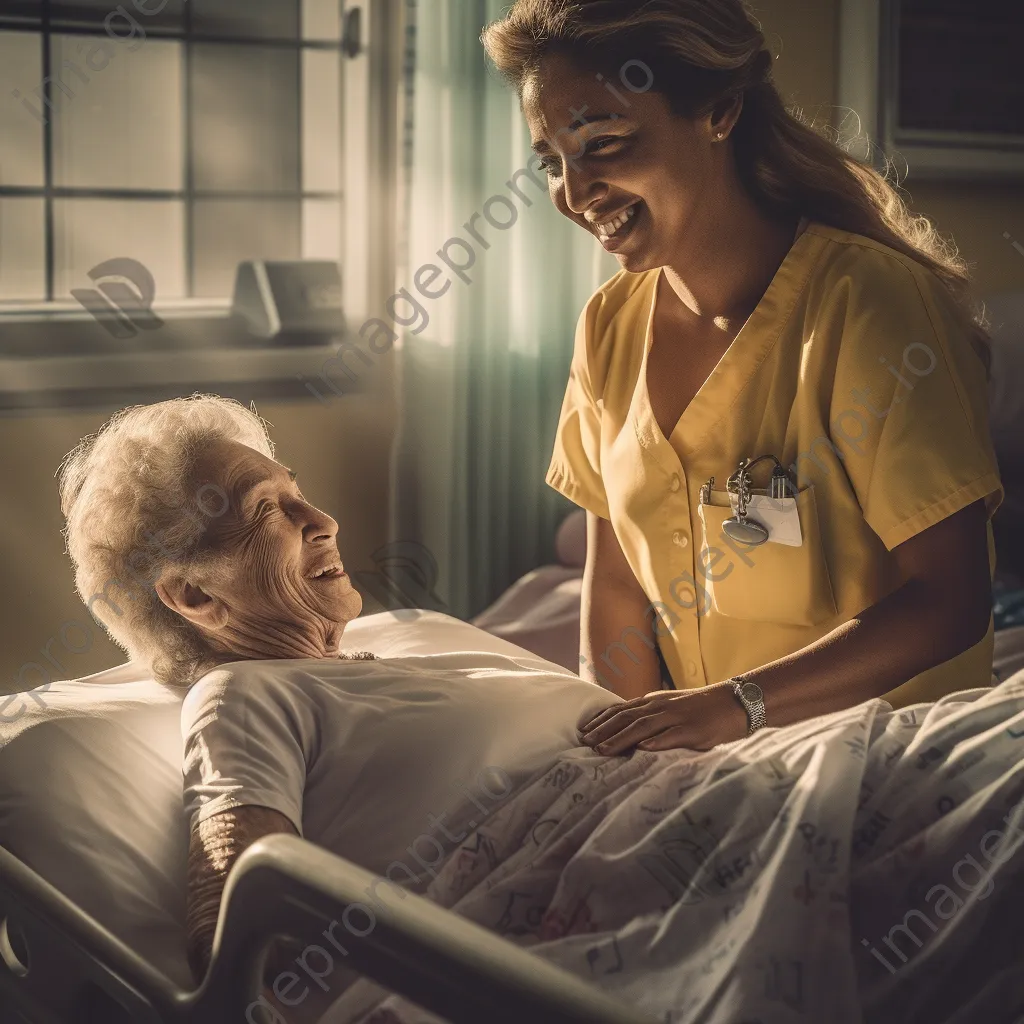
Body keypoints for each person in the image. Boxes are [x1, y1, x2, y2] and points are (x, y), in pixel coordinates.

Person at [480, 0, 1004, 756]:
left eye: (606, 143)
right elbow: (618, 591)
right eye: (552, 162)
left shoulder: (868, 304)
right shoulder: (609, 324)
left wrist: (735, 708)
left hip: (893, 755)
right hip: (714, 762)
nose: (574, 189)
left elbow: (950, 603)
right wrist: (624, 764)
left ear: (719, 111)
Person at [56, 395, 621, 997]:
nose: (323, 520)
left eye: (296, 491)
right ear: (195, 597)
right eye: (267, 510)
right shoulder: (242, 693)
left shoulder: (418, 648)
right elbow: (236, 930)